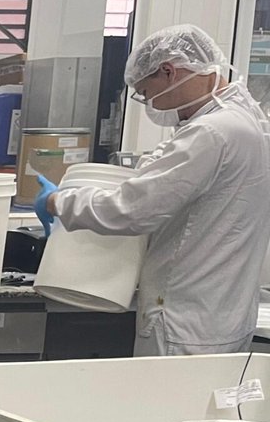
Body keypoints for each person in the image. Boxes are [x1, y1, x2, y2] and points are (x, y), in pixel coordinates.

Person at [34, 24, 270, 355]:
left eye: (146, 92)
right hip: (220, 316)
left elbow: (133, 209)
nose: (151, 104)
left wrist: (58, 202)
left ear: (169, 71)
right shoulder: (246, 118)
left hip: (184, 322)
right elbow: (173, 173)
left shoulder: (212, 132)